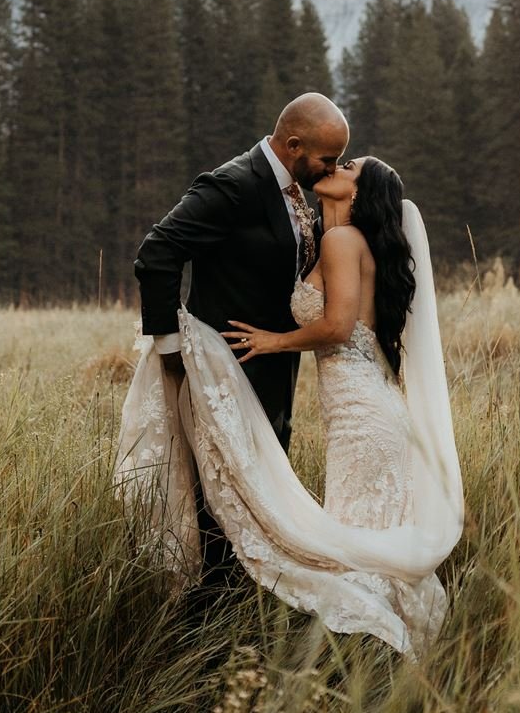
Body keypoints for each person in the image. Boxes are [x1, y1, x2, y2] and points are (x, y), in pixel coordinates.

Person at [120, 137, 465, 658]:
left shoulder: (342, 241)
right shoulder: (335, 237)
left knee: (353, 534)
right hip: (363, 410)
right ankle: (386, 646)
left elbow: (337, 324)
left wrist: (273, 341)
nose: (336, 165)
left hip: (363, 416)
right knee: (363, 533)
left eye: (348, 165)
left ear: (359, 191)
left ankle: (374, 648)